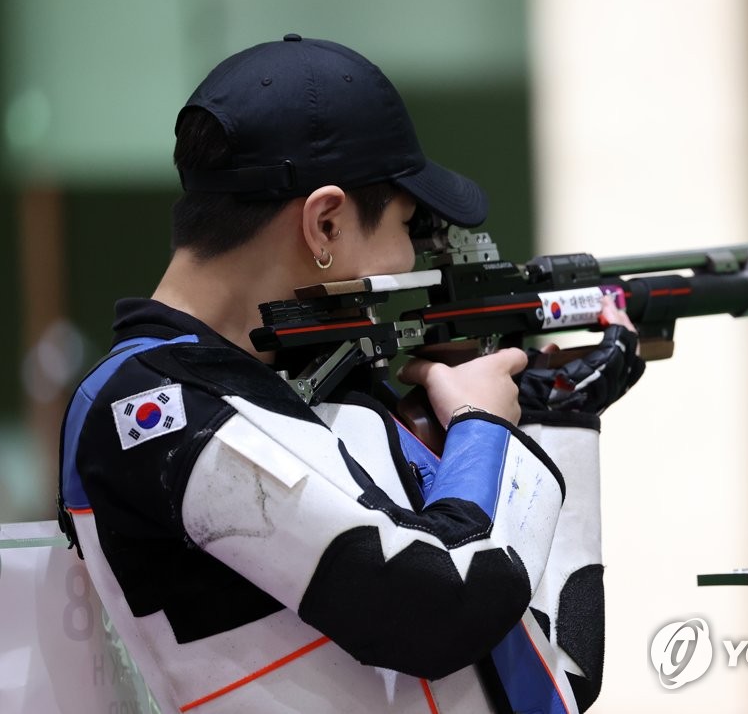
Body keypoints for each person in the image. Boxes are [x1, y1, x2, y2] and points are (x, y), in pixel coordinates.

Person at [58, 35, 643, 714]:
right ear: (325, 224)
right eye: (407, 223)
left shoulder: (313, 399)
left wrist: (557, 414)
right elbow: (445, 607)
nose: (412, 256)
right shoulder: (153, 411)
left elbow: (552, 671)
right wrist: (484, 430)